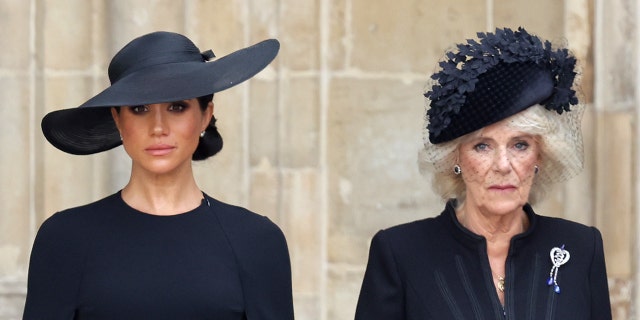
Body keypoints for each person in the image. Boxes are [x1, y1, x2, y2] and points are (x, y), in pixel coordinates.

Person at [23, 31, 294, 319]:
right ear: (117, 119)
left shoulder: (257, 241)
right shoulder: (65, 239)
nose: (158, 127)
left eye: (177, 107)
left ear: (205, 115)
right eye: (140, 108)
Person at [354, 27, 611, 319]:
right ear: (456, 157)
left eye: (520, 145)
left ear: (540, 156)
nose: (503, 165)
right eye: (482, 146)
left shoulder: (581, 247)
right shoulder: (400, 254)